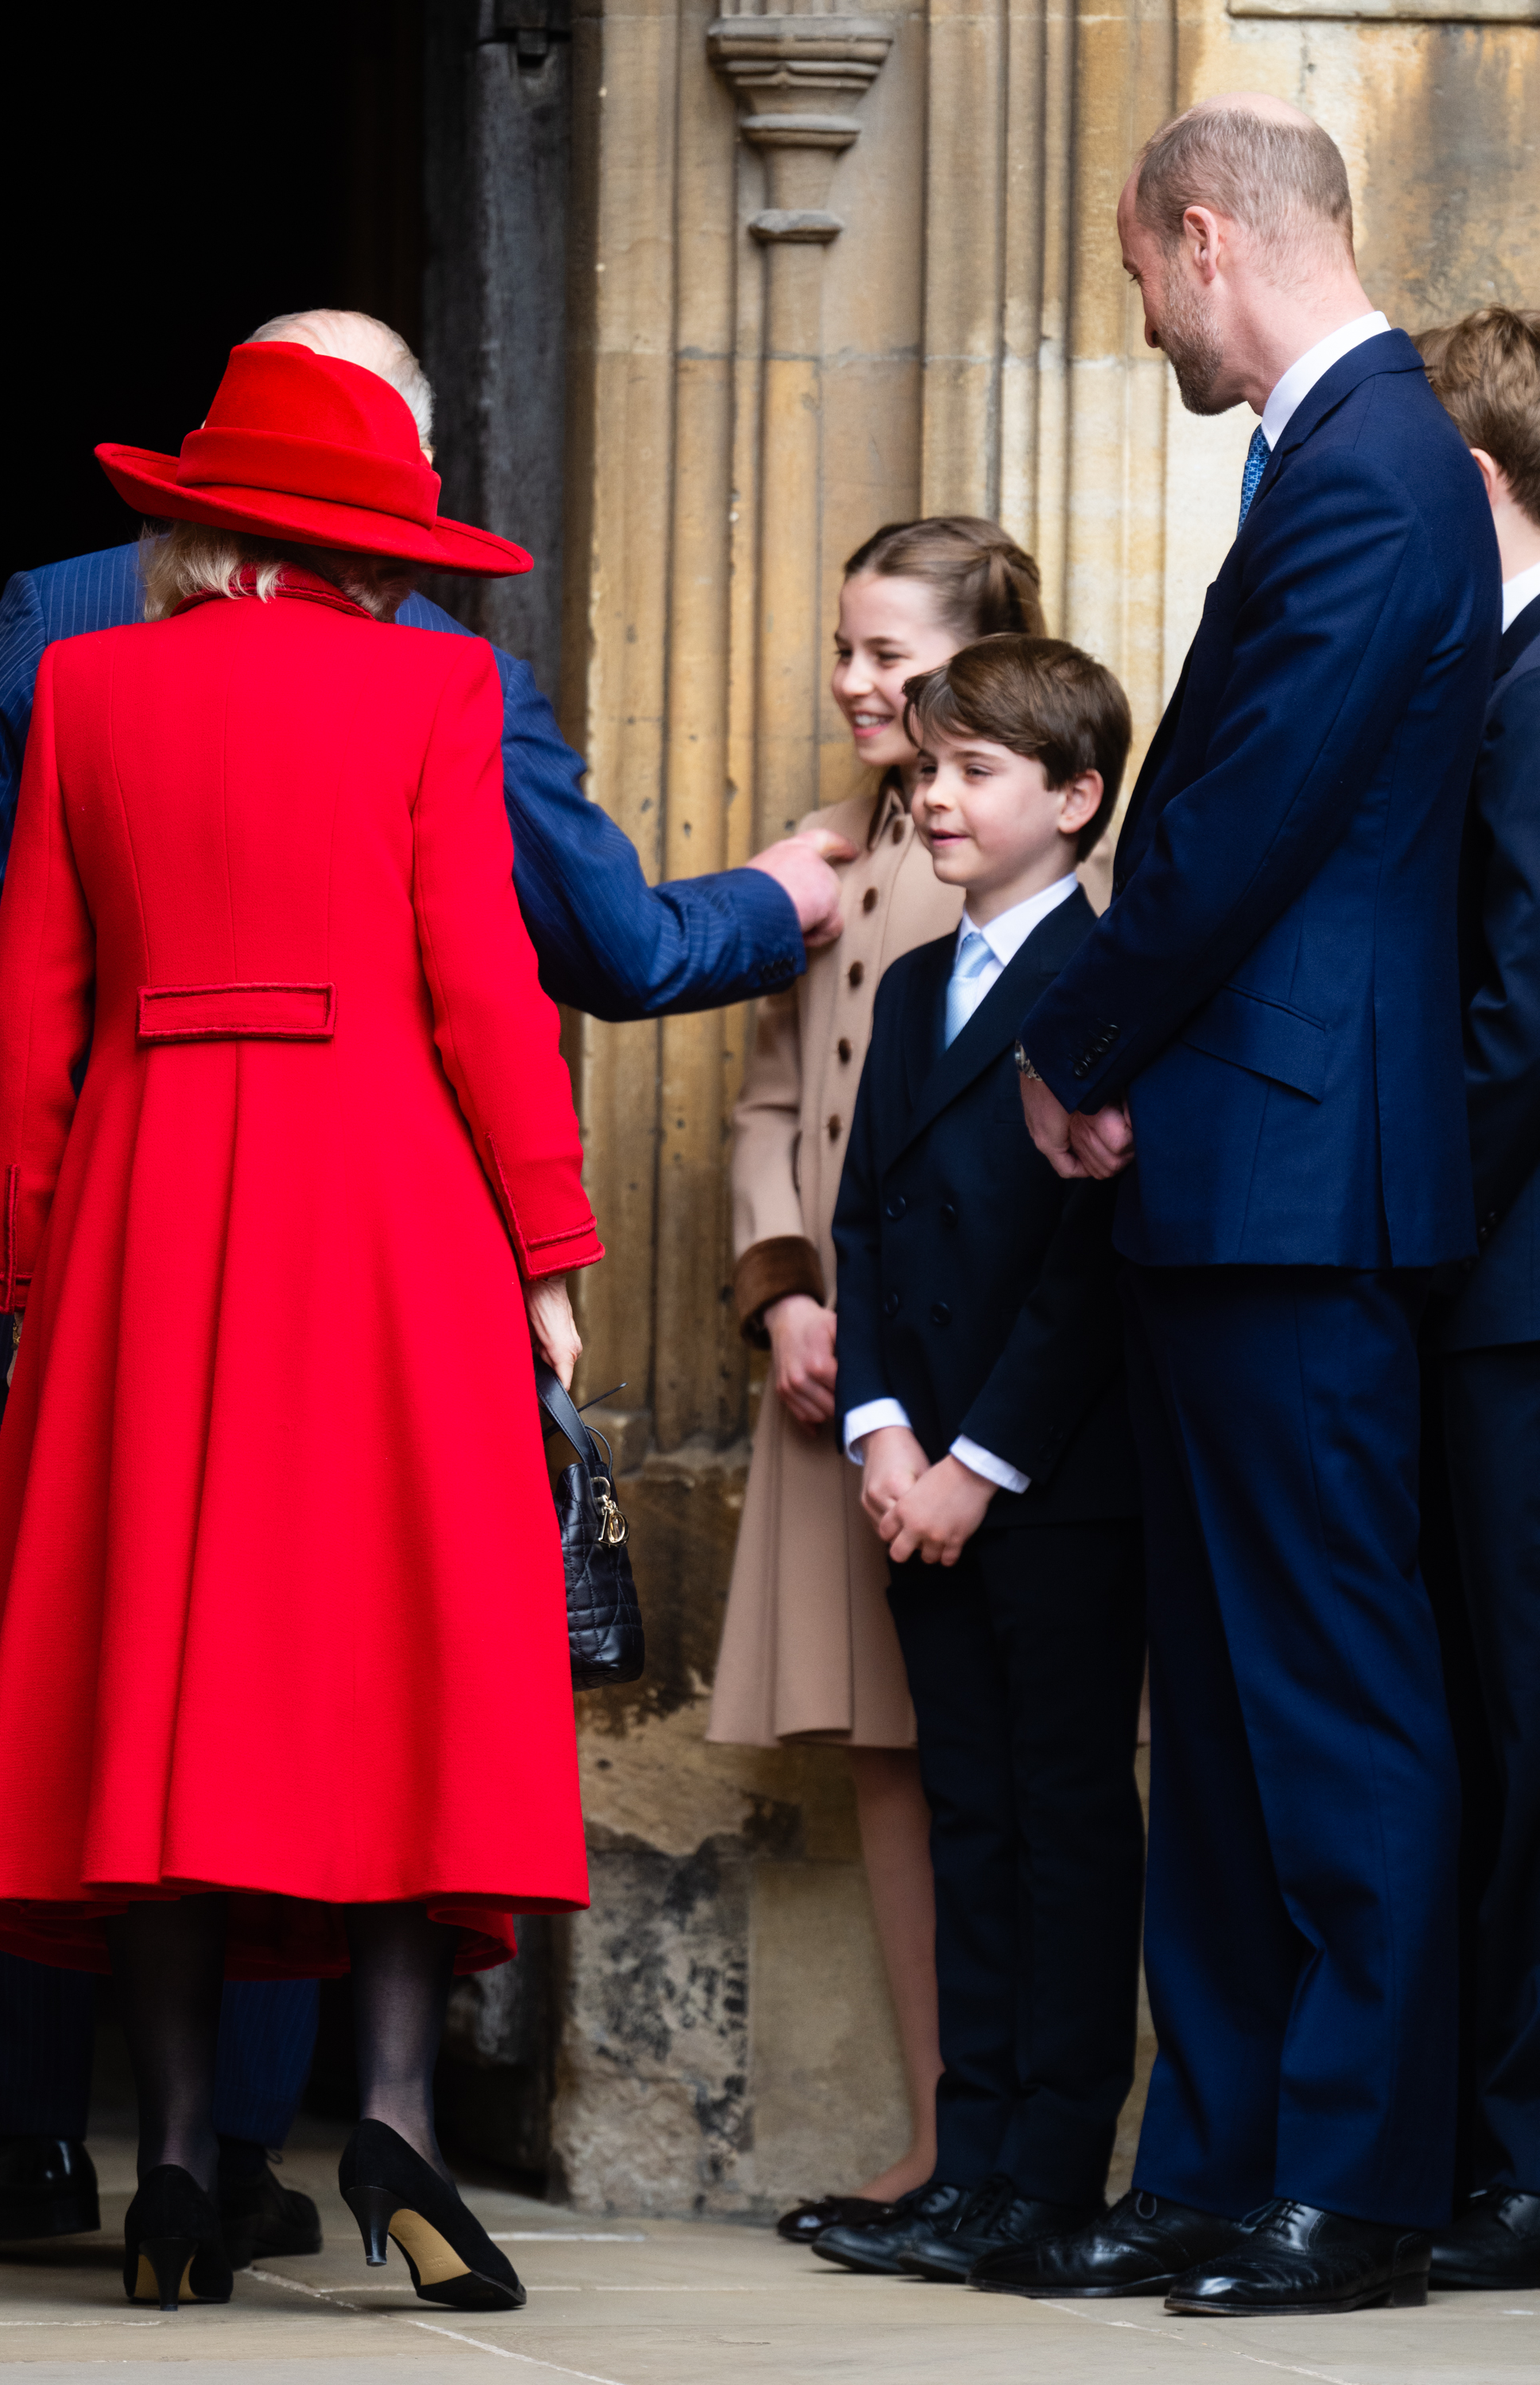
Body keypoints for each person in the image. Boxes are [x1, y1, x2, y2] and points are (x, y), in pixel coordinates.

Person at [0, 309, 845, 2257]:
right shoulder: (434, 699)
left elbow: (24, 1020)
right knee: (402, 1652)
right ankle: (403, 2124)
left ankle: (173, 2169)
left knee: (161, 1668)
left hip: (147, 1214)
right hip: (393, 1210)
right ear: (373, 535)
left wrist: (12, 1265)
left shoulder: (89, 689)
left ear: (202, 519)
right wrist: (551, 1253)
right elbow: (489, 997)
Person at [980, 96, 1500, 2317]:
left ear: (1205, 239)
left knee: (1331, 1693)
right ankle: (1216, 2156)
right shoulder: (1348, 458)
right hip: (1237, 1161)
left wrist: (1068, 1044)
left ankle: (1360, 2184)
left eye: (1135, 275)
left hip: (1300, 1167)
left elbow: (1245, 818)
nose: (1143, 317)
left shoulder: (1375, 460)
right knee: (1217, 1703)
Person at [709, 518, 1045, 2238]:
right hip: (826, 1382)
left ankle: (992, 2141)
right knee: (893, 1762)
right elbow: (771, 1107)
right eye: (844, 650)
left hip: (956, 1390)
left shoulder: (1026, 864)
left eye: (890, 659)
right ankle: (937, 2137)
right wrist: (783, 1300)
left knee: (991, 1751)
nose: (853, 682)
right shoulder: (819, 854)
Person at [824, 634, 1144, 2288]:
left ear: (1076, 800)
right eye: (928, 767)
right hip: (912, 1475)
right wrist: (881, 1431)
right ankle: (973, 2152)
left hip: (1049, 1483)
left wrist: (978, 1461)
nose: (935, 794)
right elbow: (865, 1220)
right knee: (969, 1812)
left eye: (976, 772)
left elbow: (1087, 1263)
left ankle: (1053, 2175)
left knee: (1066, 1818)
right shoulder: (908, 977)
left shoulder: (1102, 981)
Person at [1412, 306, 1540, 2292]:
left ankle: (1518, 2149)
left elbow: (1518, 1015)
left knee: (1521, 1725)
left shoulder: (1529, 684)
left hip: (1509, 1285)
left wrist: (1402, 1217)